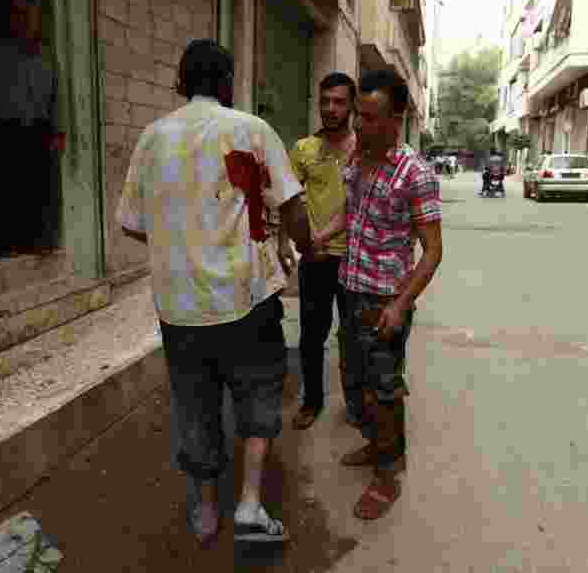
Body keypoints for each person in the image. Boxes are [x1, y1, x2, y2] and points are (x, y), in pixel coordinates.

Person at [116, 39, 312, 545]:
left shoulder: (152, 137)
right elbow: (291, 204)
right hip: (246, 299)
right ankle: (248, 503)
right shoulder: (251, 130)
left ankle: (204, 510)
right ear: (228, 83)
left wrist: (180, 243)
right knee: (258, 392)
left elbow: (132, 223)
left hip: (180, 308)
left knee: (195, 404)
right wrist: (303, 248)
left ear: (180, 83)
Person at [310, 69, 443, 520]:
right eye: (359, 116)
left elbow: (433, 252)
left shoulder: (415, 174)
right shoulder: (356, 160)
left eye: (370, 118)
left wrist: (400, 305)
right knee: (354, 380)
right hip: (349, 289)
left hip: (385, 301)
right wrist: (319, 234)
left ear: (397, 117)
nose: (360, 126)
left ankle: (389, 474)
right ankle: (375, 446)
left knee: (384, 390)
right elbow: (352, 215)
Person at [284, 73, 358, 430]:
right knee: (311, 334)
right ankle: (312, 400)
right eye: (325, 100)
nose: (331, 108)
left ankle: (355, 402)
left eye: (339, 101)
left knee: (353, 333)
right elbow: (286, 199)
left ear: (352, 105)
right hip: (316, 260)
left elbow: (360, 204)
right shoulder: (304, 150)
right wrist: (285, 242)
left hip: (354, 258)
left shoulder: (364, 148)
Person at [0, 0, 58, 256]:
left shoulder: (46, 55)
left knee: (38, 186)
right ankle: (11, 244)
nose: (22, 21)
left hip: (38, 128)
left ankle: (38, 241)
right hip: (7, 128)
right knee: (10, 186)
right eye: (16, 15)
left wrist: (57, 129)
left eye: (27, 16)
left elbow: (56, 95)